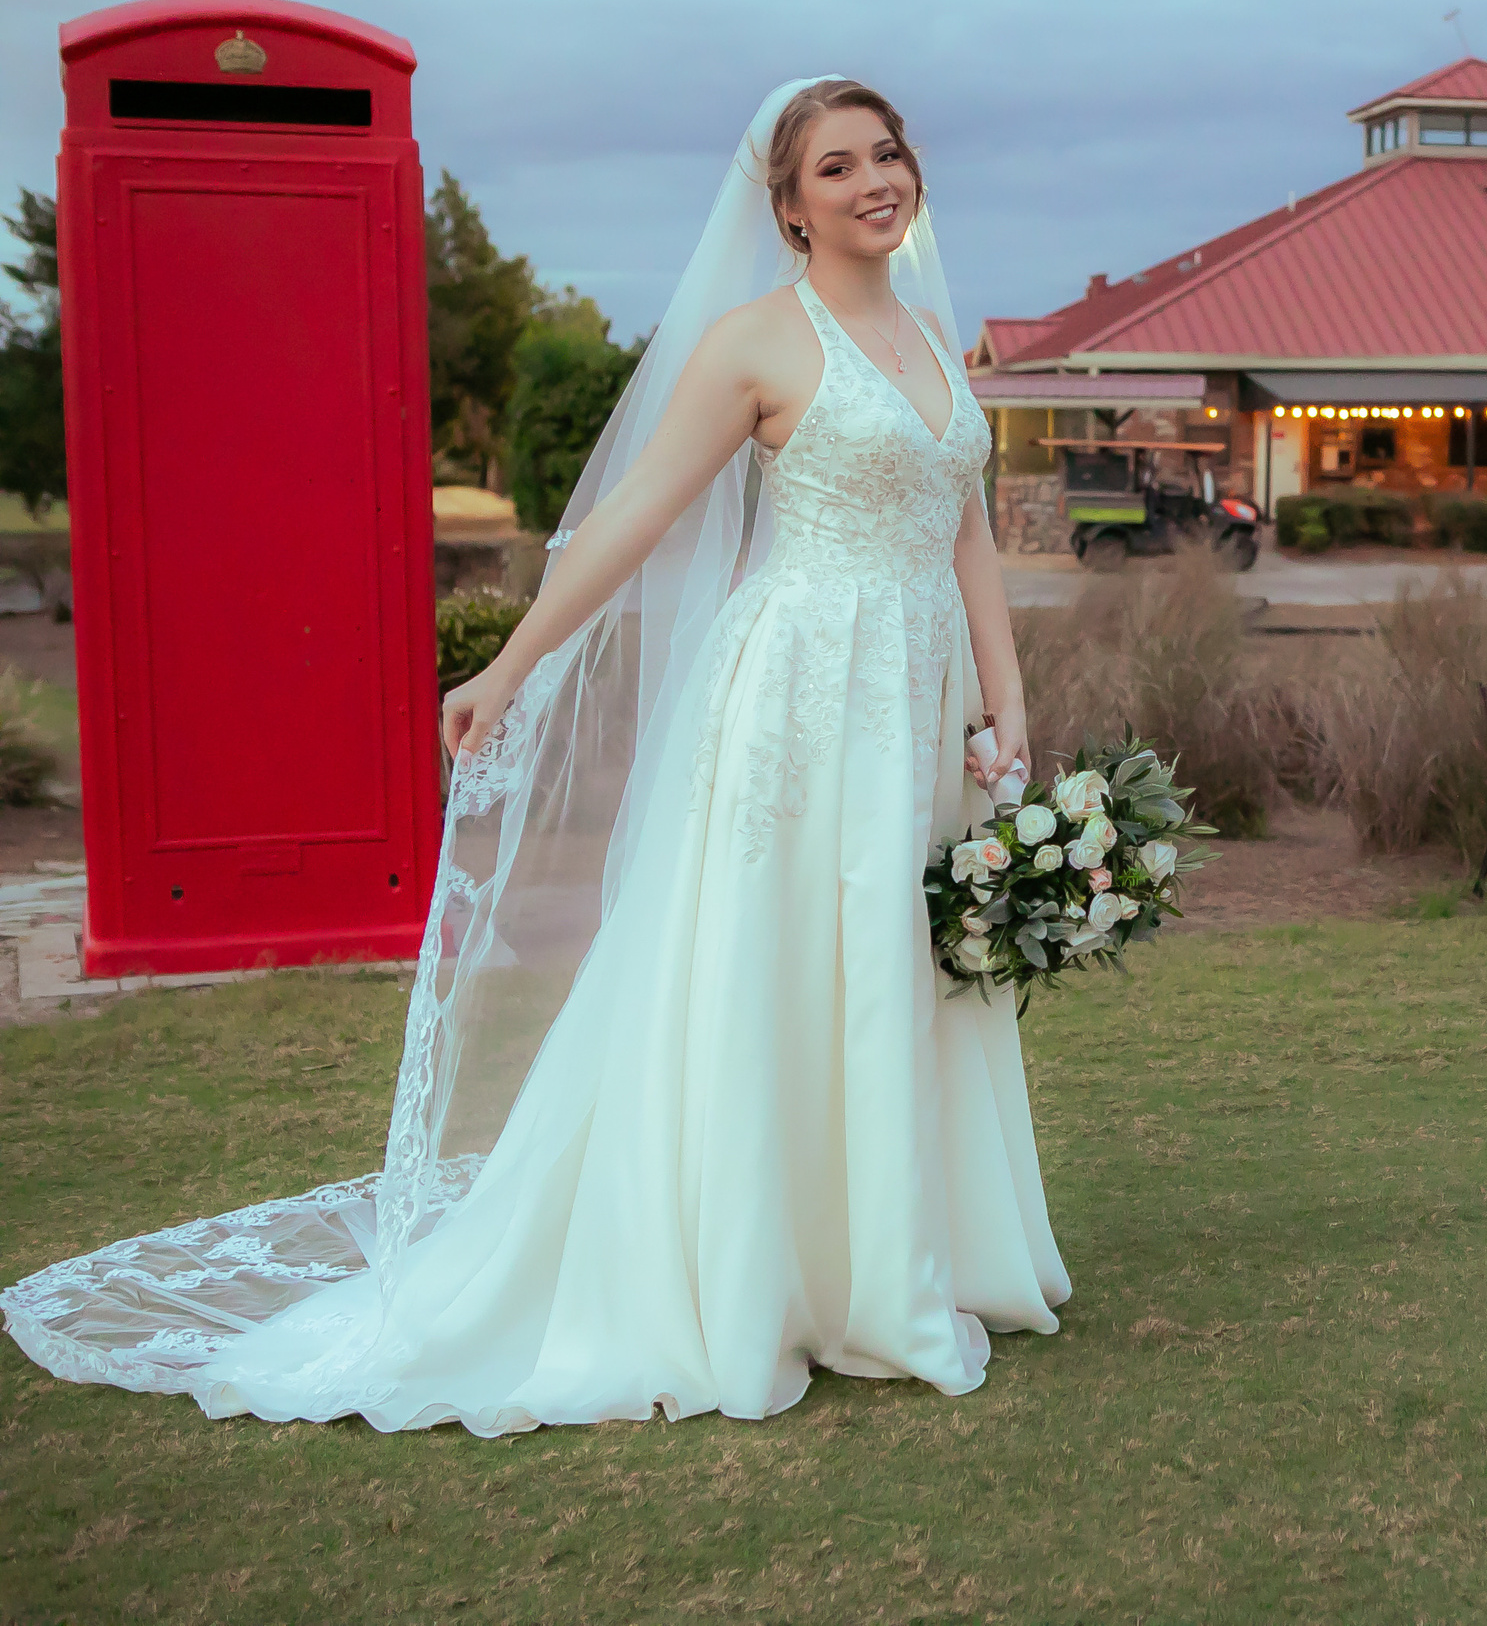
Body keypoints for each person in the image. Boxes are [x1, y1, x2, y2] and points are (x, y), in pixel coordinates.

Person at [0, 79, 1071, 1435]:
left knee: (898, 966)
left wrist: (1005, 697)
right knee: (786, 969)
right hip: (799, 702)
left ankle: (901, 1256)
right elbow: (628, 523)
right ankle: (764, 1279)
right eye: (839, 166)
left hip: (915, 712)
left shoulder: (930, 334)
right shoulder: (756, 344)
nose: (877, 180)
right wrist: (510, 669)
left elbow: (962, 521)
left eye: (890, 153)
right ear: (789, 207)